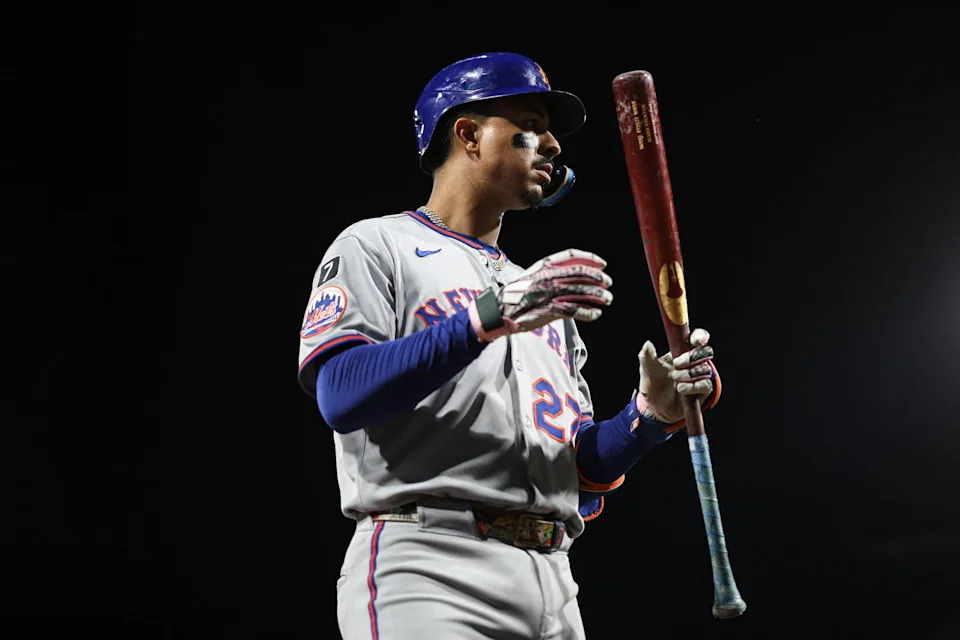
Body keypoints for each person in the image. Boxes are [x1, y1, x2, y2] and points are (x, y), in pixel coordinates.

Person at [296, 52, 721, 640]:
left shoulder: (541, 294)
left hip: (554, 580)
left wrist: (648, 418)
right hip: (428, 566)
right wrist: (490, 316)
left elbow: (577, 469)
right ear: (468, 134)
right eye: (530, 123)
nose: (551, 144)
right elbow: (340, 395)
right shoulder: (378, 245)